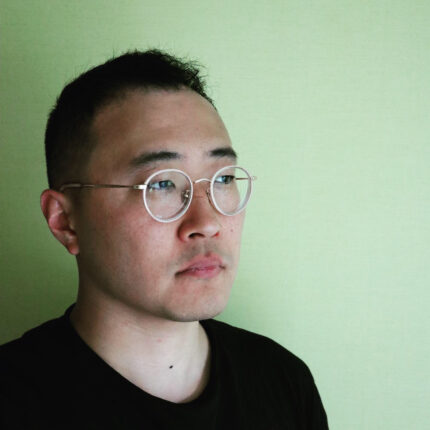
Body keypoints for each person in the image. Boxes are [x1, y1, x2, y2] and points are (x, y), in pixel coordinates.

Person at [0, 50, 329, 429]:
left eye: (223, 178)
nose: (207, 222)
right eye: (161, 184)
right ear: (65, 222)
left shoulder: (283, 381)